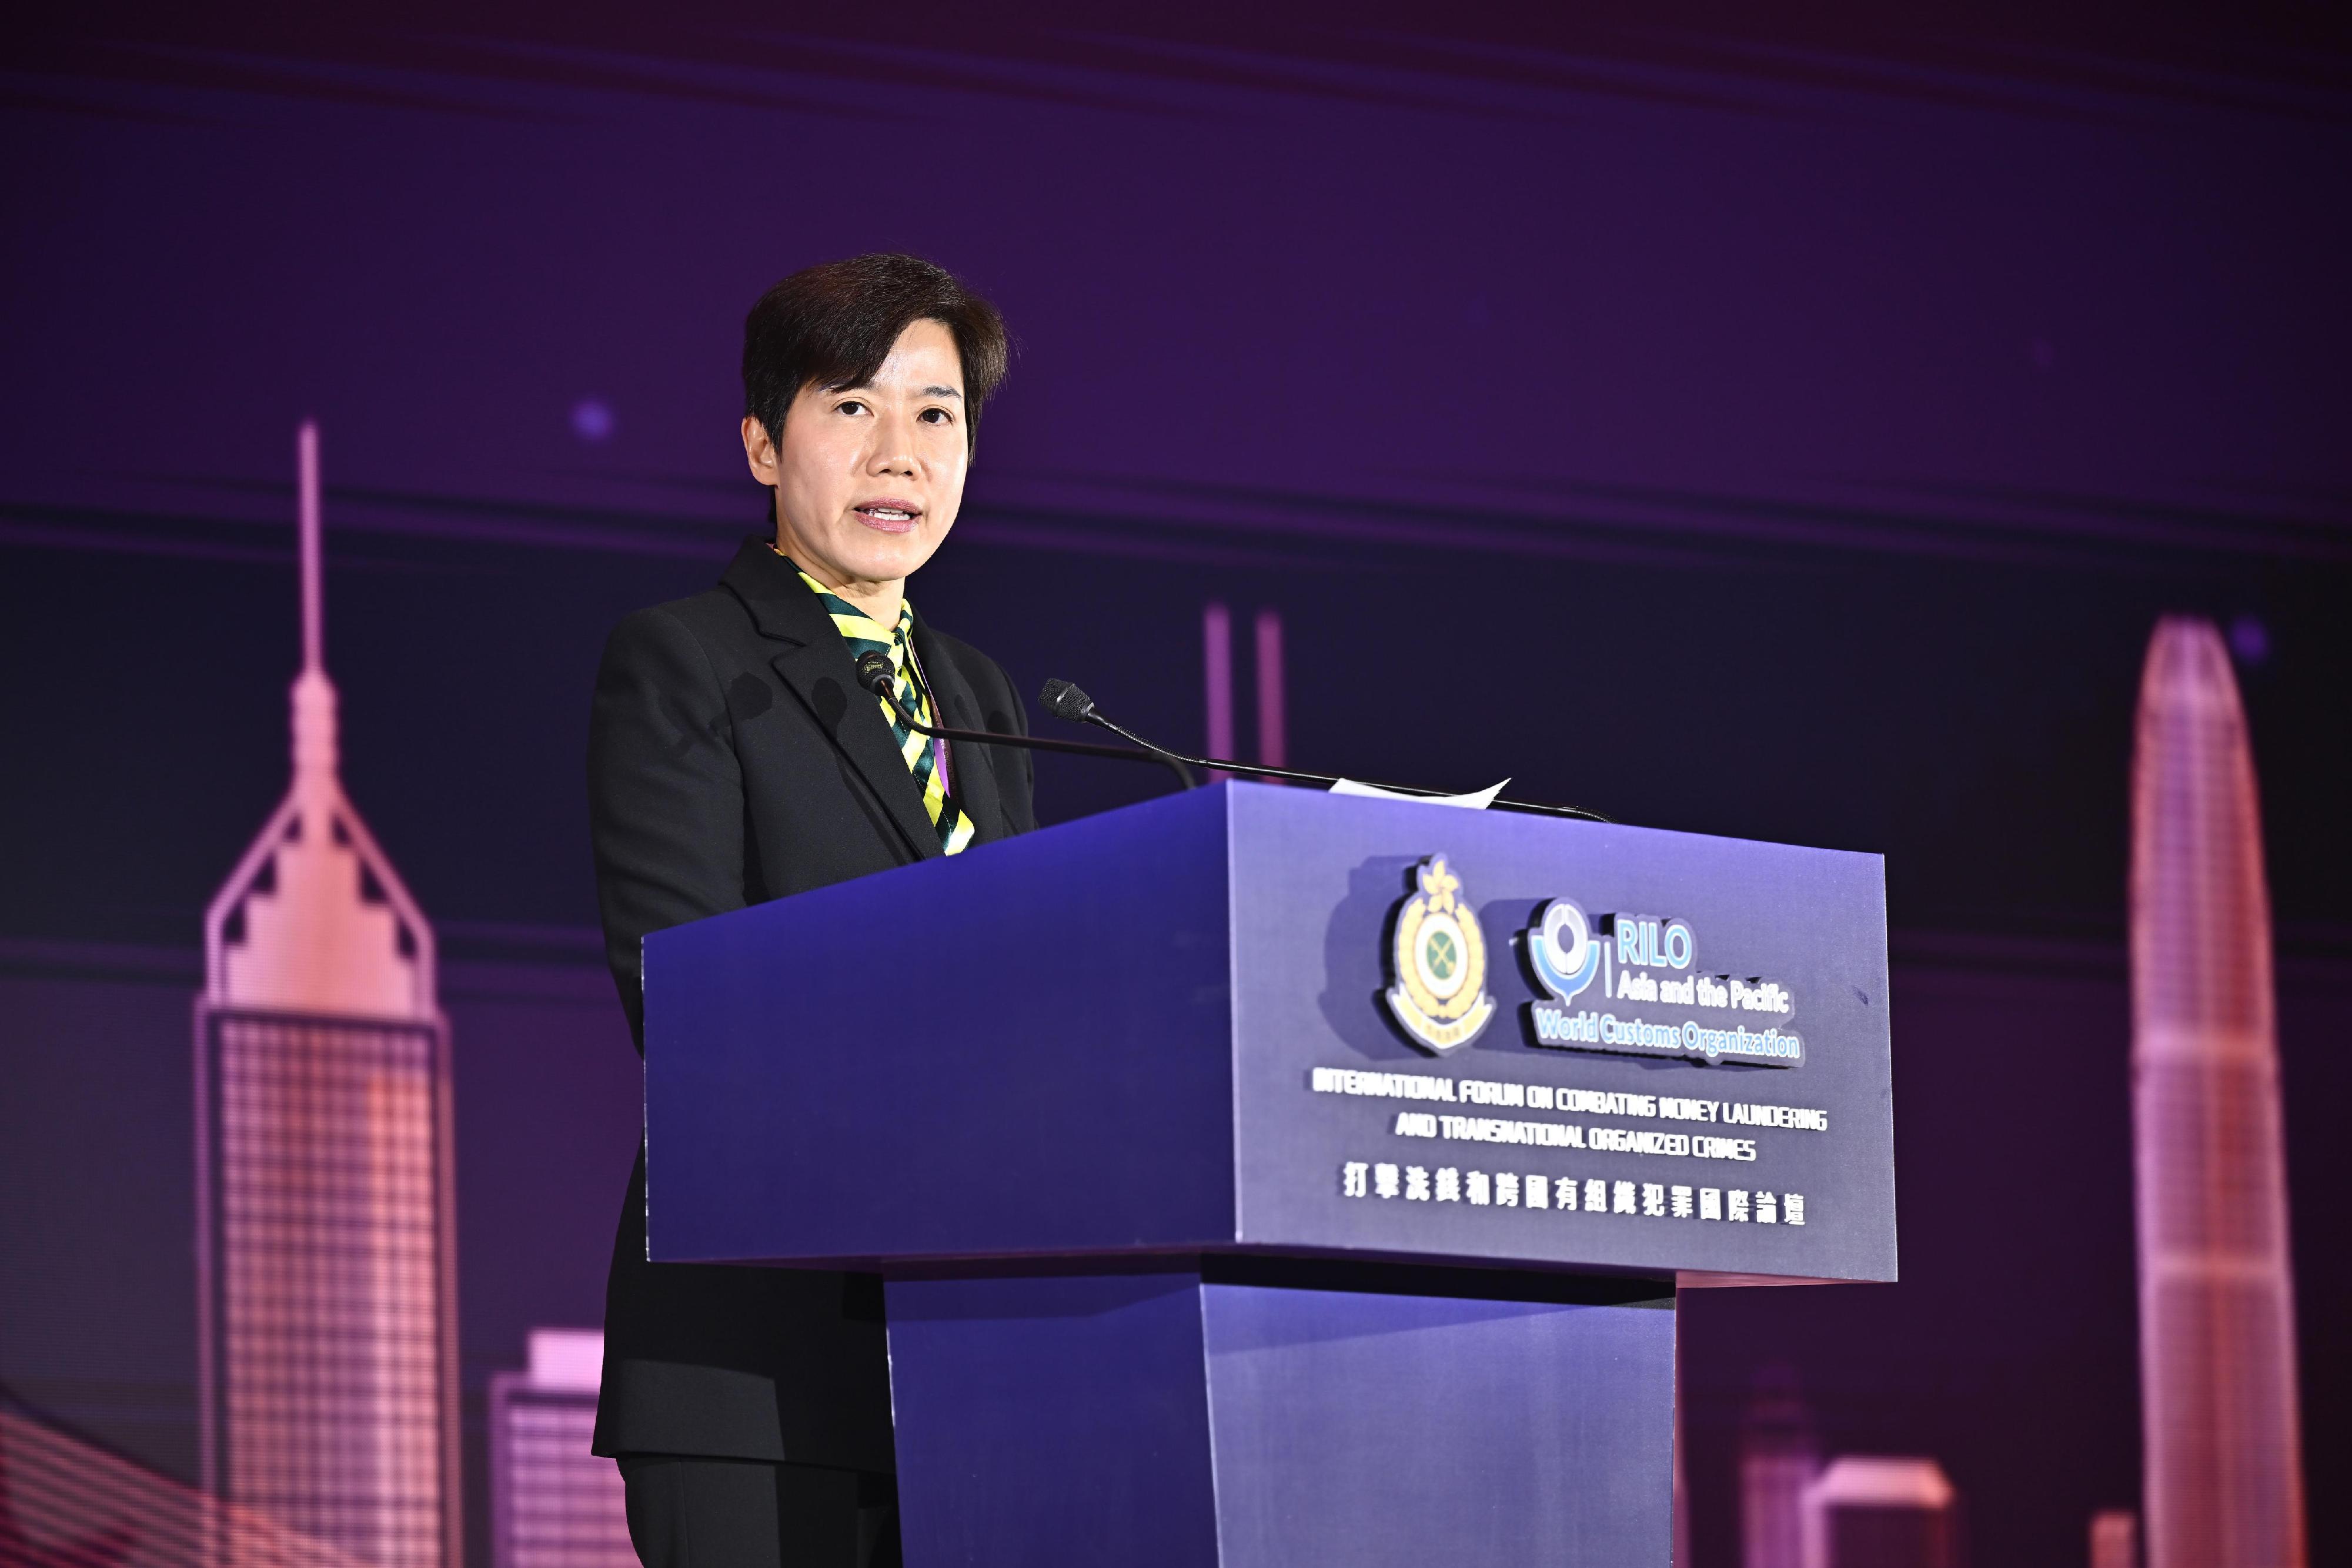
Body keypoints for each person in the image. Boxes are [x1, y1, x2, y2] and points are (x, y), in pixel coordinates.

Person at [584, 254, 1032, 1566]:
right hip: (757, 1353)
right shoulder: (688, 660)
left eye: (936, 413)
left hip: (977, 1354)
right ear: (761, 446)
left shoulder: (981, 693)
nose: (900, 452)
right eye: (853, 406)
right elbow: (690, 1000)